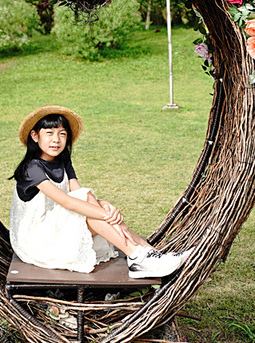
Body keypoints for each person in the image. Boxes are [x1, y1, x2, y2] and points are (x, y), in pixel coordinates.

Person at [9, 105, 186, 279]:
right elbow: (68, 202)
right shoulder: (31, 168)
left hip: (55, 228)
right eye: (49, 133)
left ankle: (152, 254)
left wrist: (104, 206)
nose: (56, 139)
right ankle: (137, 258)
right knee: (97, 213)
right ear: (34, 136)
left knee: (99, 208)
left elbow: (80, 193)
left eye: (62, 134)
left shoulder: (63, 162)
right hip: (36, 240)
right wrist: (108, 216)